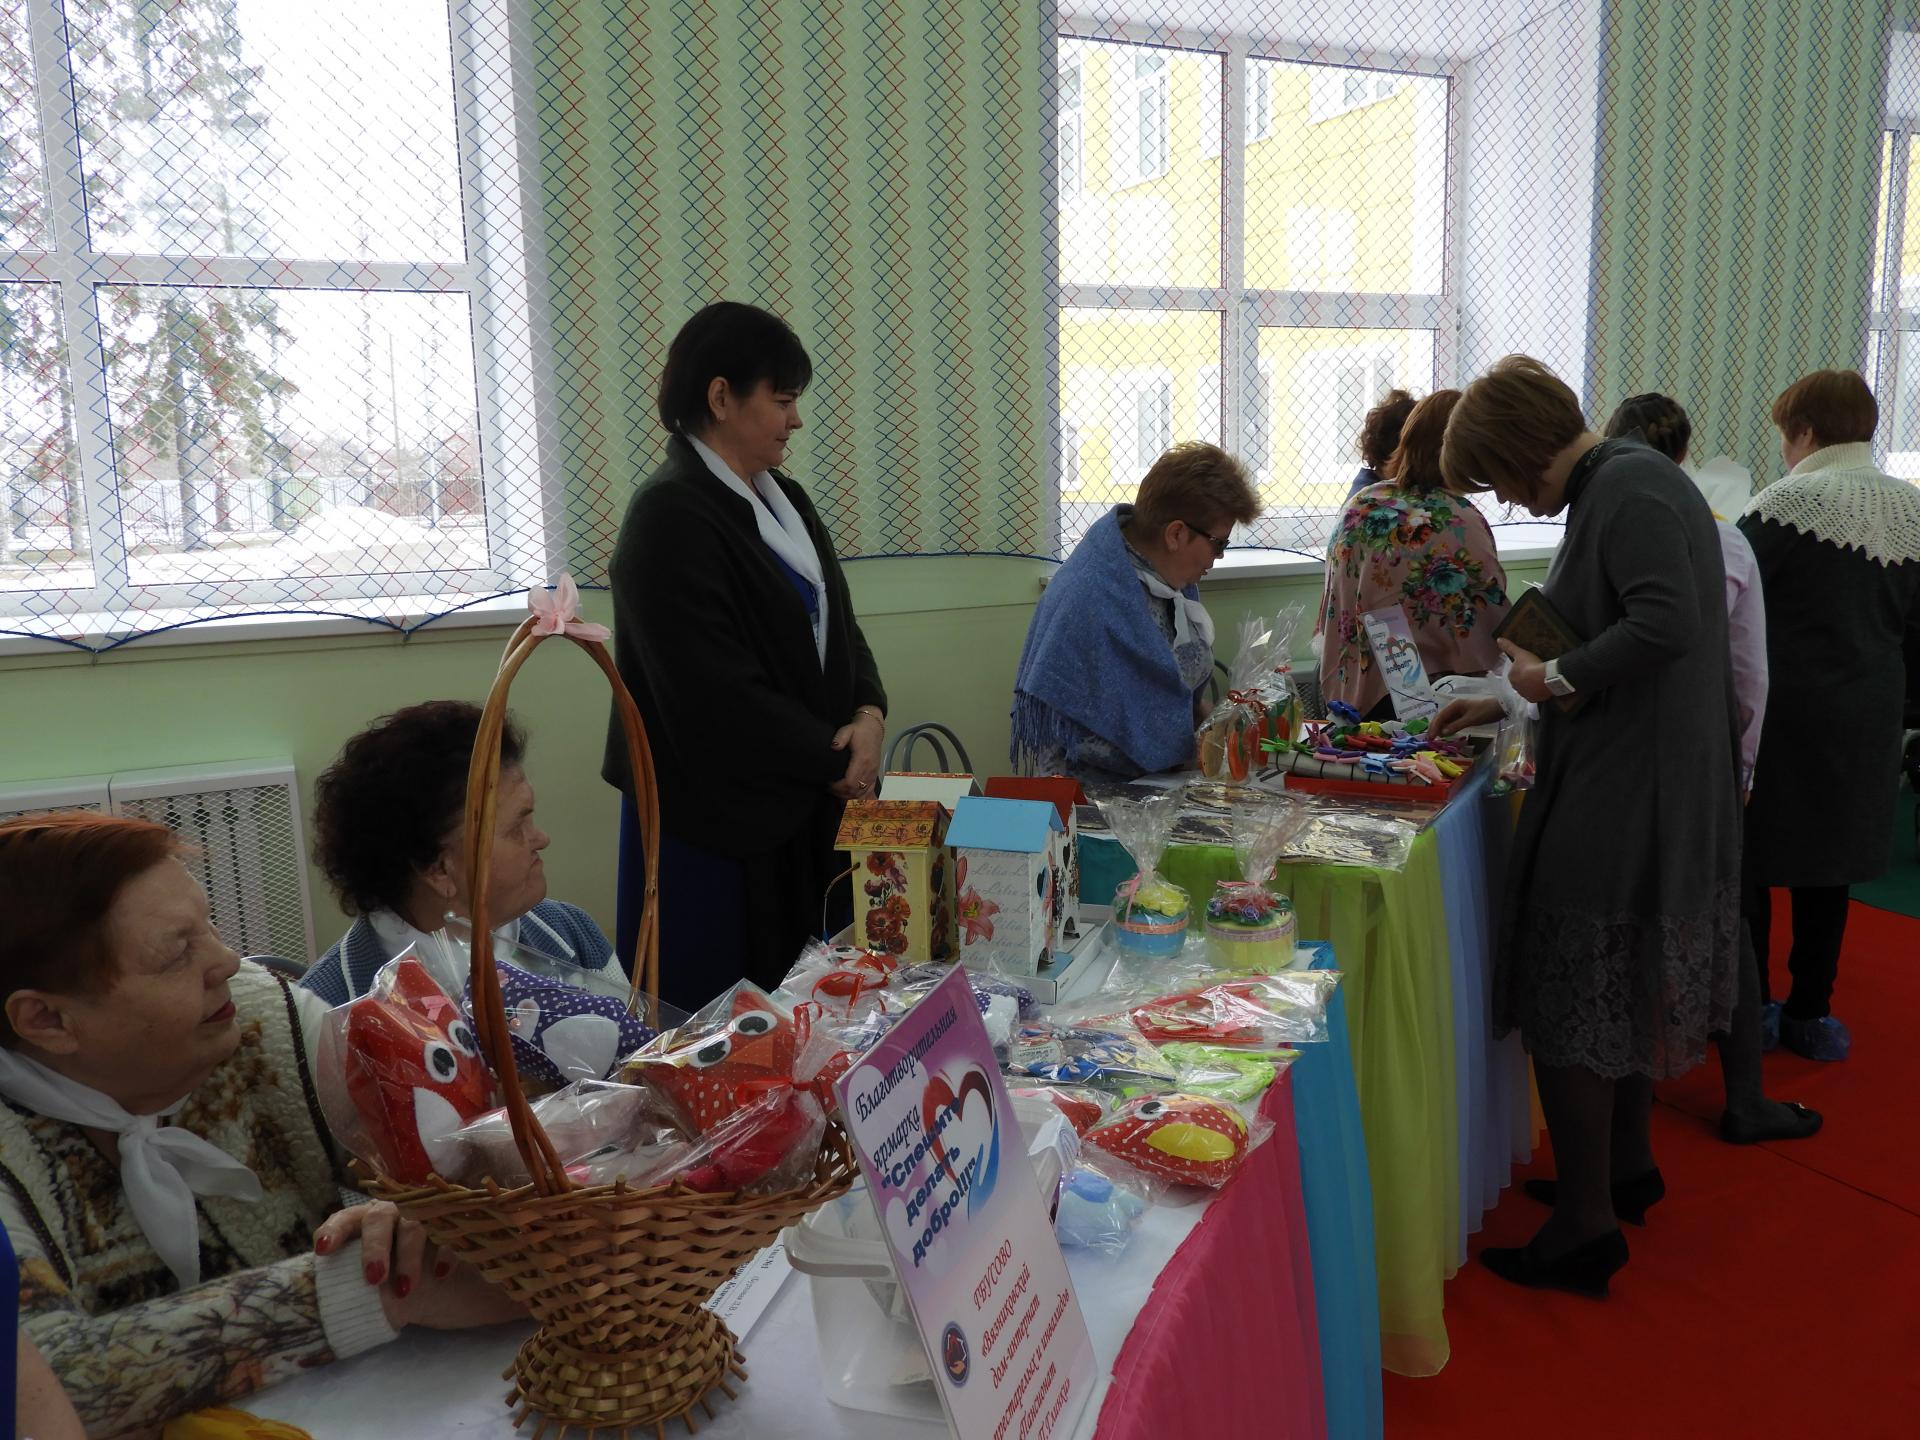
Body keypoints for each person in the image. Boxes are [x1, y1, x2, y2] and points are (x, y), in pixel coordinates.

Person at [0, 813, 519, 1436]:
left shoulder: (260, 1018)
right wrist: (379, 1287)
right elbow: (39, 1388)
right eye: (176, 953)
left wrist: (419, 1214)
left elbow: (463, 1169)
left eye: (209, 925)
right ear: (46, 1021)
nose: (226, 959)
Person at [1434, 356, 1742, 1298]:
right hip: (1640, 770)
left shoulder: (1628, 488)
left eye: (1496, 478)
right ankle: (1621, 1173)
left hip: (1629, 784)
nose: (1507, 500)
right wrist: (1506, 698)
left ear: (1519, 449)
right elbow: (1607, 628)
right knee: (1617, 979)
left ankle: (1584, 1226)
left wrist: (1547, 679)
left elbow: (1662, 625)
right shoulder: (1626, 481)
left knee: (1574, 990)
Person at [602, 301, 887, 1010]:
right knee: (722, 1026)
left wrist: (869, 713)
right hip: (716, 823)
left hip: (802, 795)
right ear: (721, 397)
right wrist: (836, 762)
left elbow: (841, 625)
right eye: (782, 401)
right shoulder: (668, 516)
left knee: (808, 1010)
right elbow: (714, 695)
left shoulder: (784, 498)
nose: (796, 420)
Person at [1591, 393, 1820, 1146]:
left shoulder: (1617, 522)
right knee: (1725, 922)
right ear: (1686, 452)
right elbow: (1751, 674)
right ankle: (1742, 1094)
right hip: (1706, 763)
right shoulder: (1725, 539)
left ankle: (1639, 1122)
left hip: (1636, 763)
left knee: (1642, 925)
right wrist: (1741, 771)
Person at [1739, 370, 1920, 1060]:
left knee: (1753, 863)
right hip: (1870, 714)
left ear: (1805, 431)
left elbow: (1734, 610)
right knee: (1829, 869)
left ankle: (1752, 1010)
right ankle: (1812, 1014)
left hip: (1783, 715)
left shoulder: (1782, 504)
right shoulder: (1913, 508)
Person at [304, 701, 621, 1006]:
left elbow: (638, 1040)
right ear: (438, 870)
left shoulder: (572, 935)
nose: (542, 839)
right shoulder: (330, 1009)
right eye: (516, 828)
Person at [1011, 441, 1261, 782]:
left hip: (1160, 780)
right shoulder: (1087, 595)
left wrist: (1214, 728)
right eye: (1219, 543)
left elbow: (1174, 689)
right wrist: (1184, 750)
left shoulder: (1168, 575)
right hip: (1094, 795)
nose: (1218, 557)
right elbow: (1080, 731)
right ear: (1176, 534)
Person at [1316, 389, 1510, 720]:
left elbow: (1336, 611)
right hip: (1445, 706)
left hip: (1356, 702)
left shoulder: (1359, 506)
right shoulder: (1459, 518)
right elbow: (1491, 621)